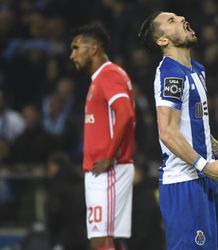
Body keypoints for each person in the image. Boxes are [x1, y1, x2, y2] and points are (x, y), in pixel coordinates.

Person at [139, 12, 218, 250]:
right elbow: (167, 132)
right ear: (162, 40)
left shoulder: (196, 70)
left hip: (204, 179)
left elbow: (195, 130)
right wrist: (204, 165)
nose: (180, 18)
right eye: (171, 20)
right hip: (184, 183)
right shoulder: (170, 73)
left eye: (178, 16)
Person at [69, 23, 136, 250]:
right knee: (110, 241)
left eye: (76, 48)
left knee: (101, 241)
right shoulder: (102, 78)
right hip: (105, 169)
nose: (72, 55)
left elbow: (125, 114)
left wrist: (108, 156)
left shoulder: (108, 75)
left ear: (94, 48)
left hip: (108, 169)